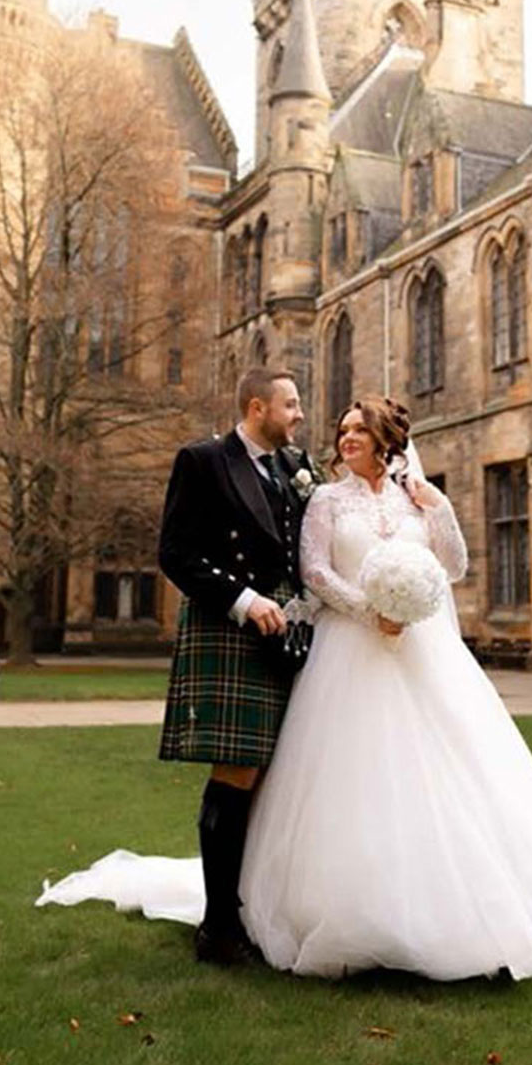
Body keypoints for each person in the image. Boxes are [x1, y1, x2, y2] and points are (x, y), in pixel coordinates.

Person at [38, 393, 532, 981]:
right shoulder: (323, 497)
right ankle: (309, 911)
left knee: (446, 774)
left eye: (357, 431)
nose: (343, 439)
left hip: (421, 654)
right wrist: (369, 610)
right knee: (347, 778)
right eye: (341, 430)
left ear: (386, 440)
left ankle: (457, 900)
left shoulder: (418, 495)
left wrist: (431, 519)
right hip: (348, 652)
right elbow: (315, 573)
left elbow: (456, 567)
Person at [153, 365, 314, 966]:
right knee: (237, 770)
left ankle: (254, 905)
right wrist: (243, 602)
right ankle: (217, 927)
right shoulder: (202, 461)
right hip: (232, 630)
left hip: (290, 633)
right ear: (256, 408)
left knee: (276, 772)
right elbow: (174, 553)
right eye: (291, 404)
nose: (299, 415)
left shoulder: (294, 468)